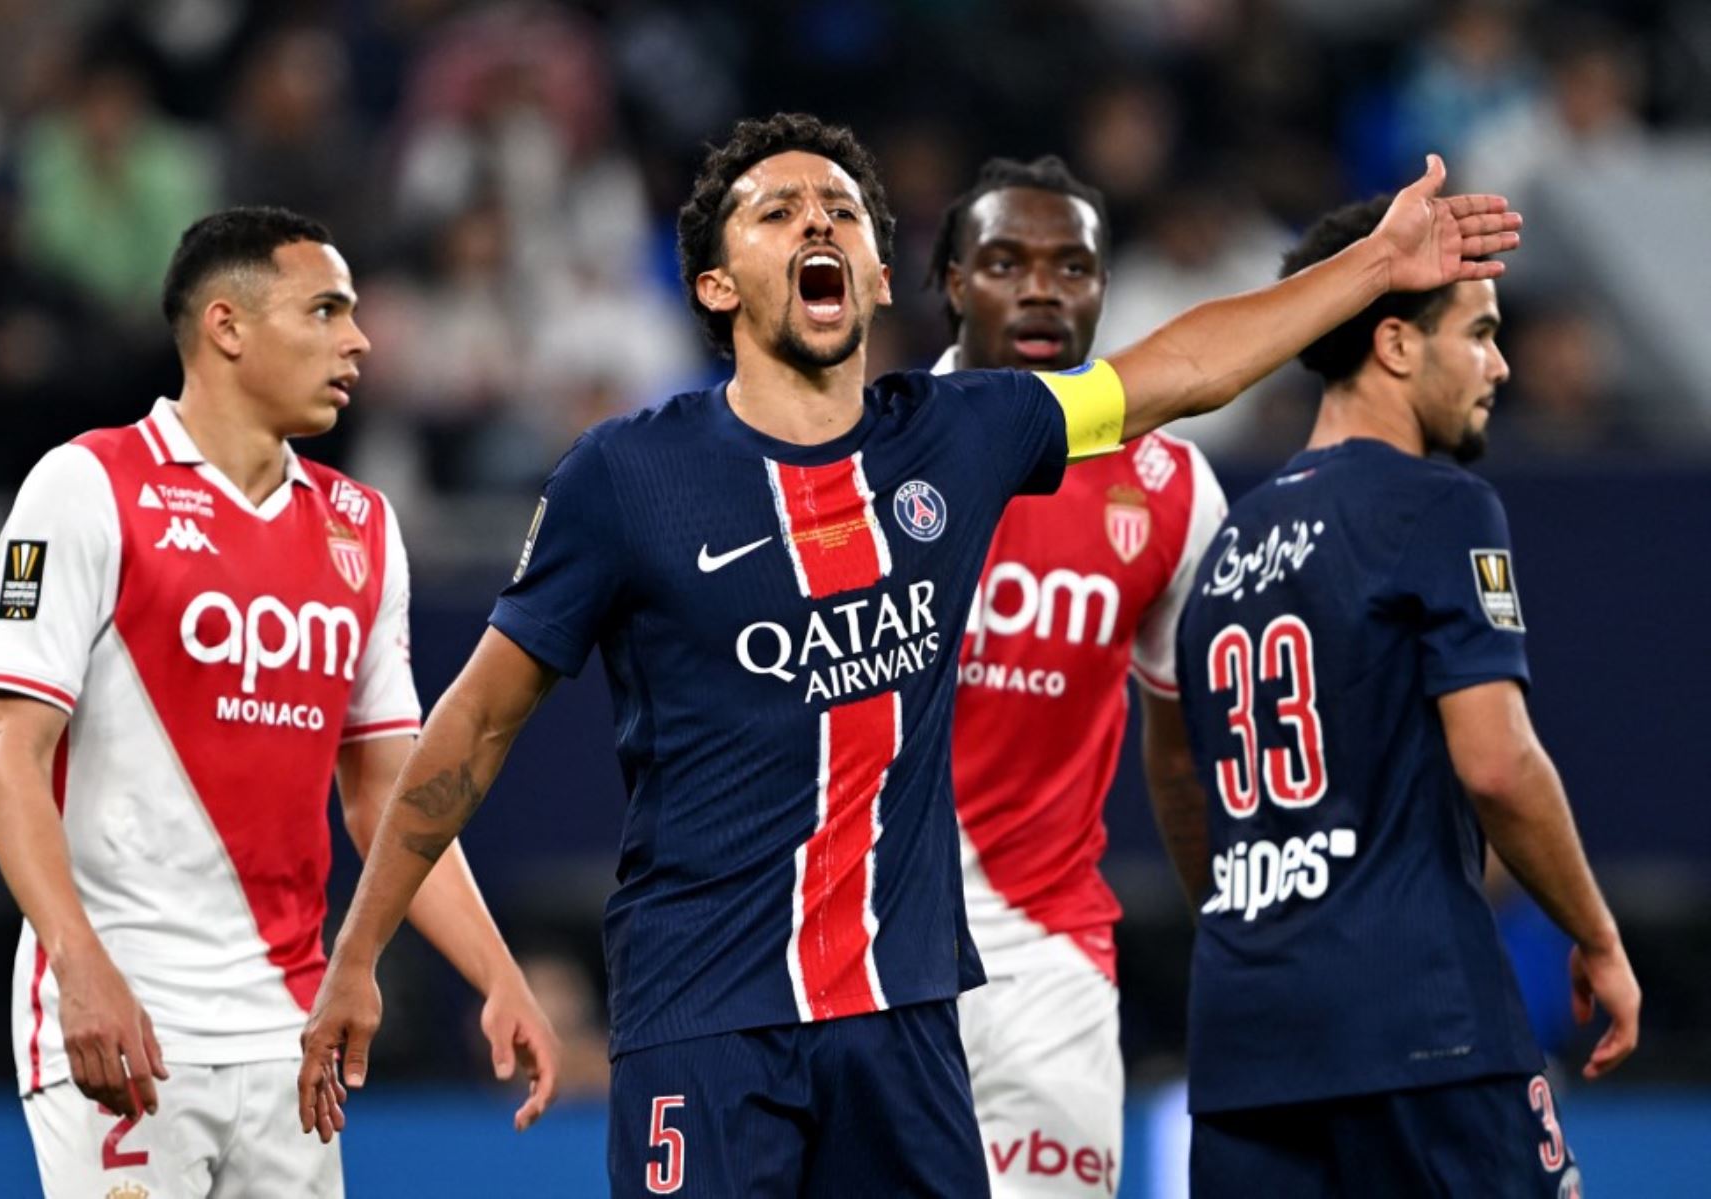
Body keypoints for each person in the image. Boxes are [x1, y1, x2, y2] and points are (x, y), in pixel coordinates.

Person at [298, 112, 1521, 1196]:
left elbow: (1179, 370)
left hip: (904, 1023)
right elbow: (476, 724)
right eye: (777, 210)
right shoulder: (625, 476)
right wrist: (362, 949)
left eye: (840, 208)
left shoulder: (963, 438)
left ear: (881, 275)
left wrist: (1371, 268)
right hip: (706, 1017)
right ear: (719, 284)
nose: (815, 219)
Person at [0, 207, 558, 1198]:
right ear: (227, 325)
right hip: (128, 1020)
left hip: (292, 1037)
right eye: (326, 309)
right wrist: (76, 961)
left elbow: (389, 792)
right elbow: (7, 756)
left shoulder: (362, 526)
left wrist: (497, 970)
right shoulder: (84, 485)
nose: (359, 339)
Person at [1170, 195, 1639, 1197]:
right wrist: (1596, 933)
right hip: (1419, 1025)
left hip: (1246, 1032)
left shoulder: (1224, 555)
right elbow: (1498, 761)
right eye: (1478, 334)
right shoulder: (1440, 506)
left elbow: (1179, 776)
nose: (1500, 367)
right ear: (1393, 342)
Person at [928, 155, 1224, 1197]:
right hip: (860, 955)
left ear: (1106, 288)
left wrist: (1231, 941)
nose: (1044, 288)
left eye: (1073, 266)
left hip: (1048, 964)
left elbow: (1182, 746)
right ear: (953, 281)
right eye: (1007, 262)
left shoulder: (1174, 487)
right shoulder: (863, 449)